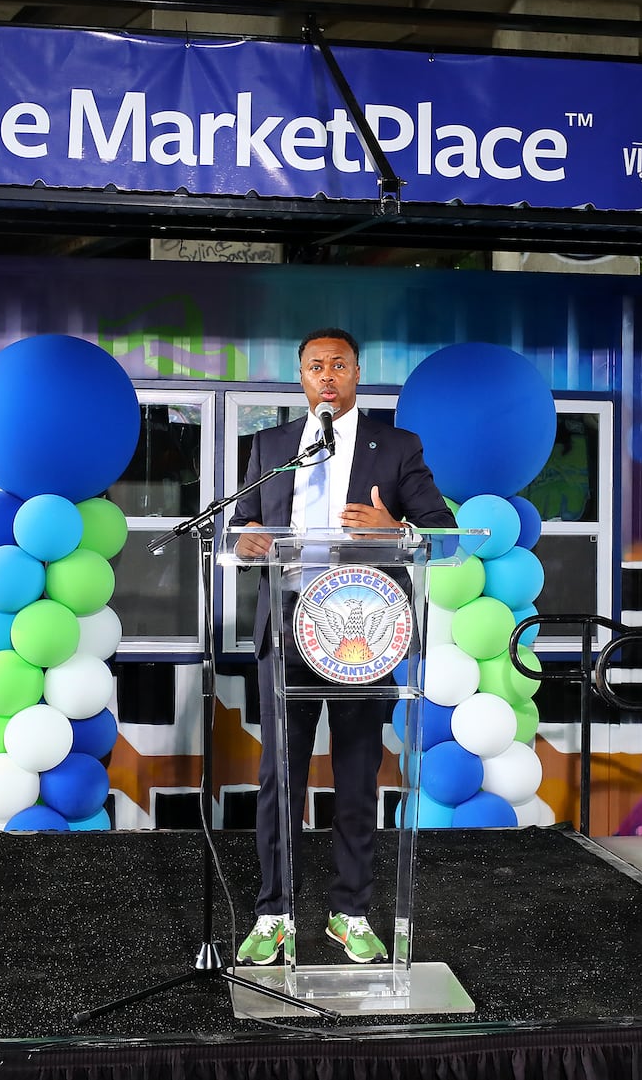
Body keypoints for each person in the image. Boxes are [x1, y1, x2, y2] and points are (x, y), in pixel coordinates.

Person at [230, 328, 455, 966]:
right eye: (314, 367)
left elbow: (448, 537)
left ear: (357, 373)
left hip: (364, 631)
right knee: (280, 777)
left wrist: (398, 527)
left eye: (338, 365)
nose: (326, 376)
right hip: (289, 624)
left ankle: (349, 911)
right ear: (301, 378)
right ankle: (274, 912)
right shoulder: (272, 447)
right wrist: (246, 539)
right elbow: (247, 528)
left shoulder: (398, 447)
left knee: (357, 775)